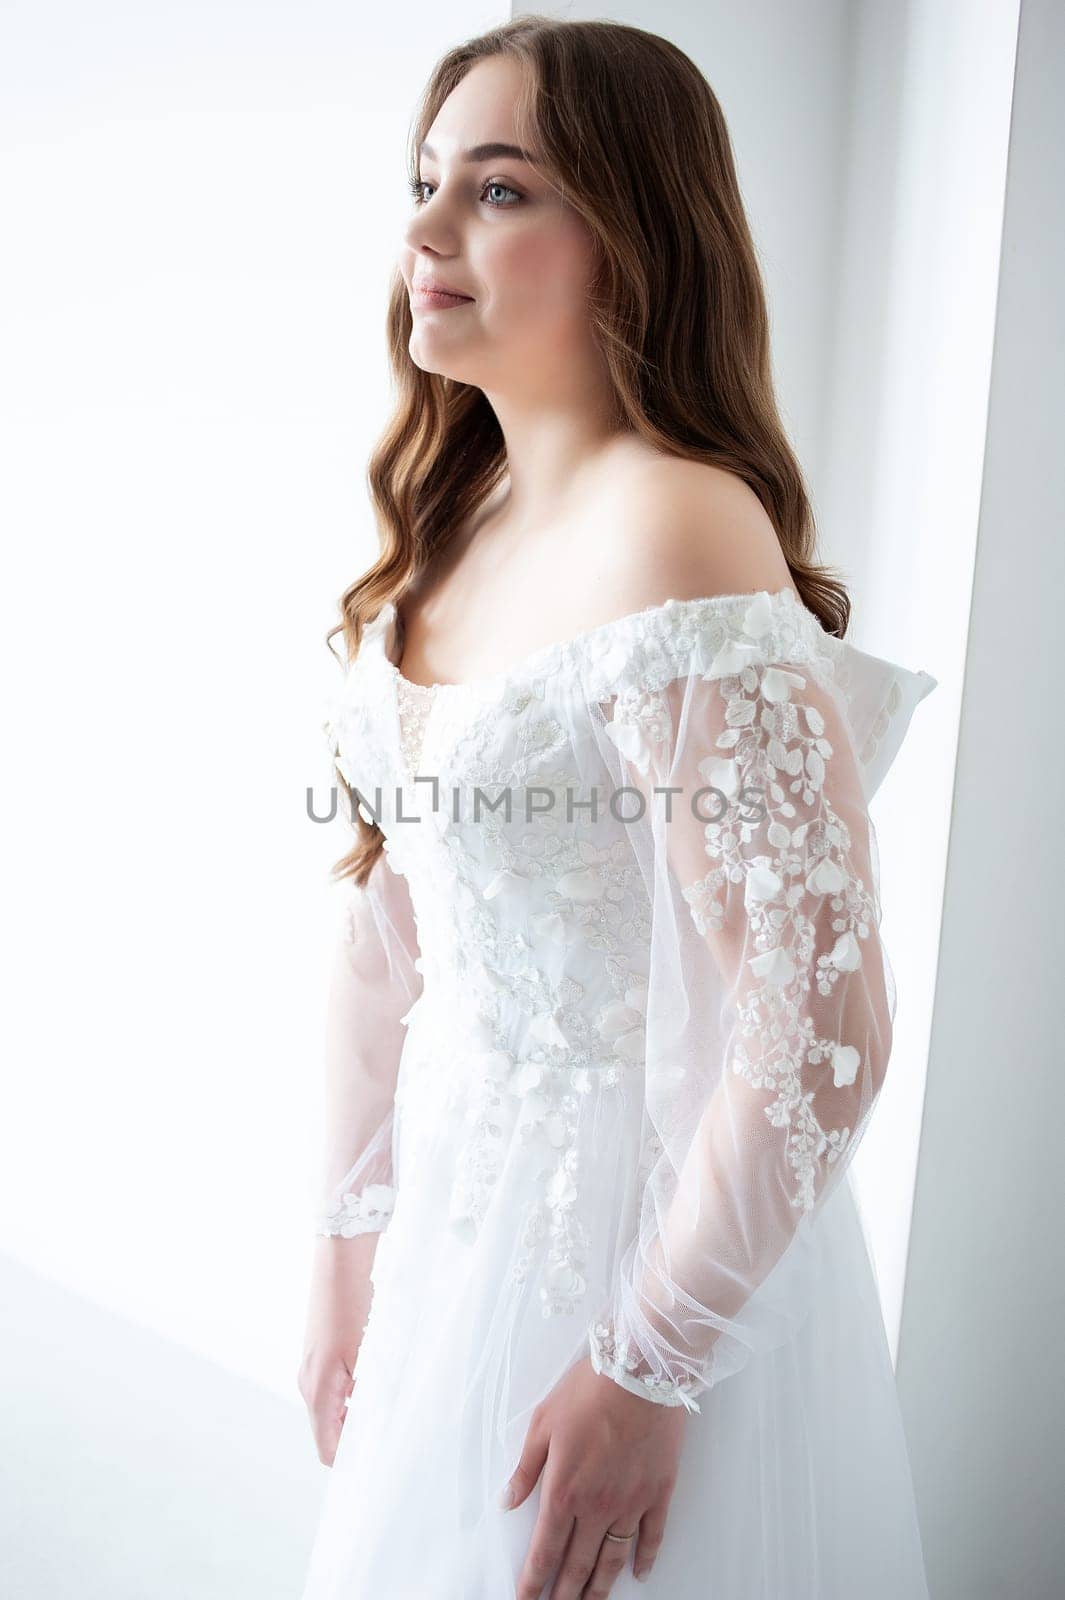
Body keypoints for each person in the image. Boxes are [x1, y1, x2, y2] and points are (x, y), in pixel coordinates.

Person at [297, 16, 937, 1599]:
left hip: (632, 1253)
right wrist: (338, 1246)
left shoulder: (678, 523)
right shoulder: (453, 525)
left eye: (499, 191)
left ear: (632, 234)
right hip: (455, 1232)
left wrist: (654, 1365)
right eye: (427, 183)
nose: (427, 232)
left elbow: (822, 1017)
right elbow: (388, 941)